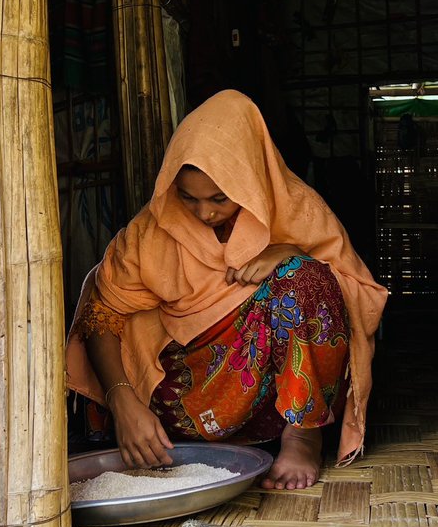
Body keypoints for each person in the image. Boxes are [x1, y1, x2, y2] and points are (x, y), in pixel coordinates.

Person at [66, 90, 387, 489]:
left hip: (272, 401)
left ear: (251, 178)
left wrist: (291, 252)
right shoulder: (149, 233)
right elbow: (101, 314)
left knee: (307, 278)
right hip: (180, 408)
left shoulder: (298, 211)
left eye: (220, 198)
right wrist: (122, 400)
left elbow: (356, 294)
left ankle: (303, 435)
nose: (205, 213)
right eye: (188, 198)